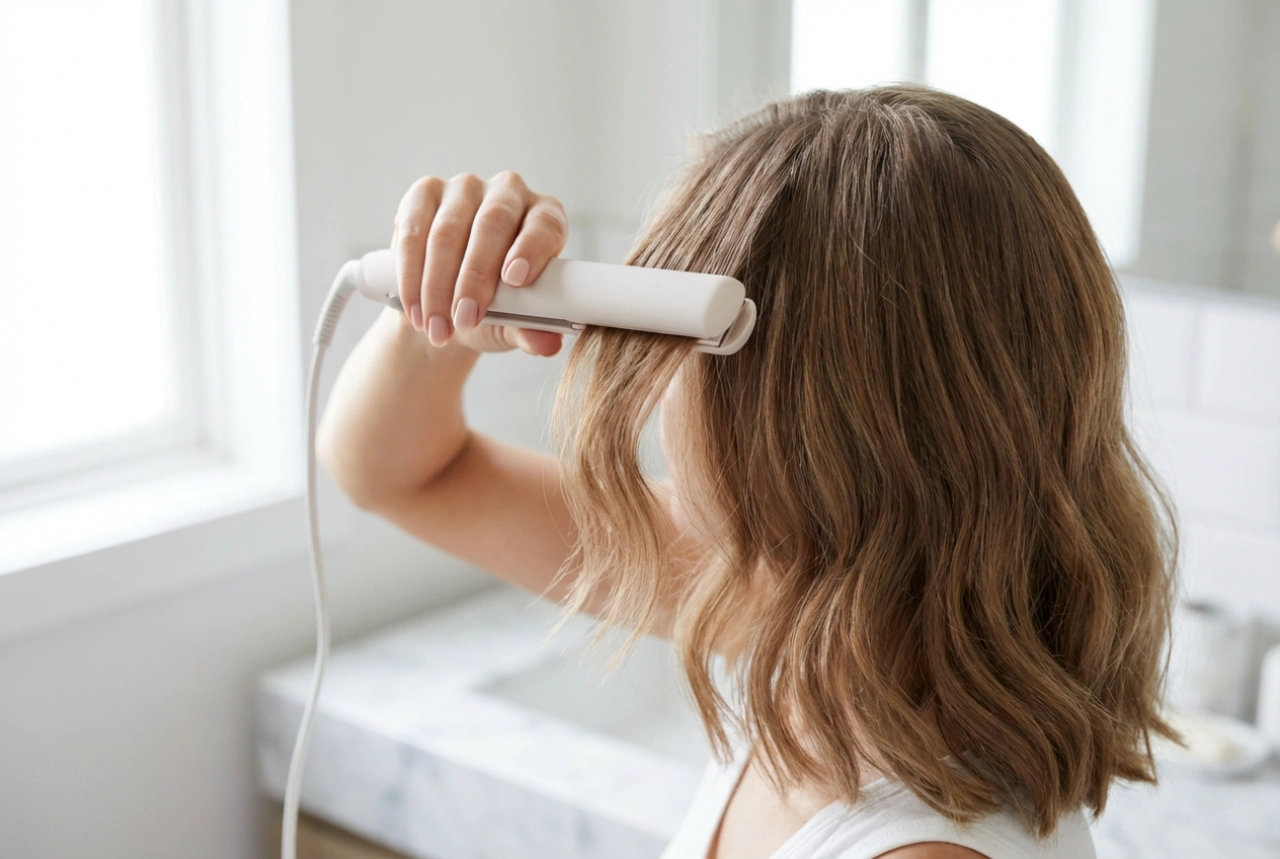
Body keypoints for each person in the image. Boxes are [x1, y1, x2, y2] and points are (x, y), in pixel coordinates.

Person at [316, 85, 1178, 859]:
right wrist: (440, 316)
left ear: (790, 416)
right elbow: (396, 474)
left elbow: (400, 479)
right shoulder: (805, 616)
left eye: (676, 350)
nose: (655, 391)